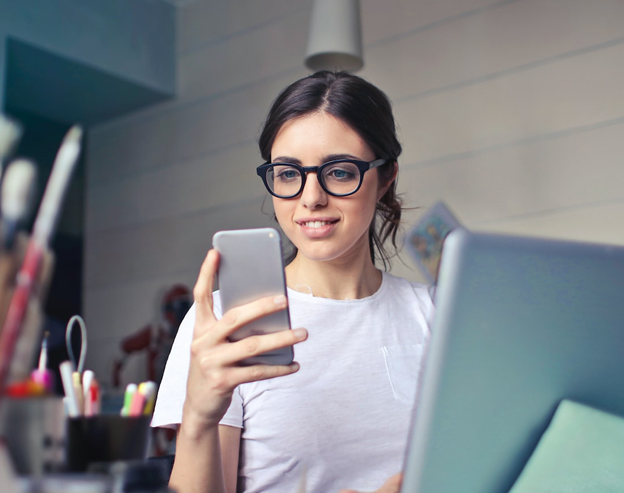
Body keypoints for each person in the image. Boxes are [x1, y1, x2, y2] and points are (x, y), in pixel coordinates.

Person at [152, 71, 434, 493]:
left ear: (386, 177)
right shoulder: (226, 321)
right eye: (287, 174)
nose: (310, 198)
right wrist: (198, 418)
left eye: (339, 172)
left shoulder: (436, 314)